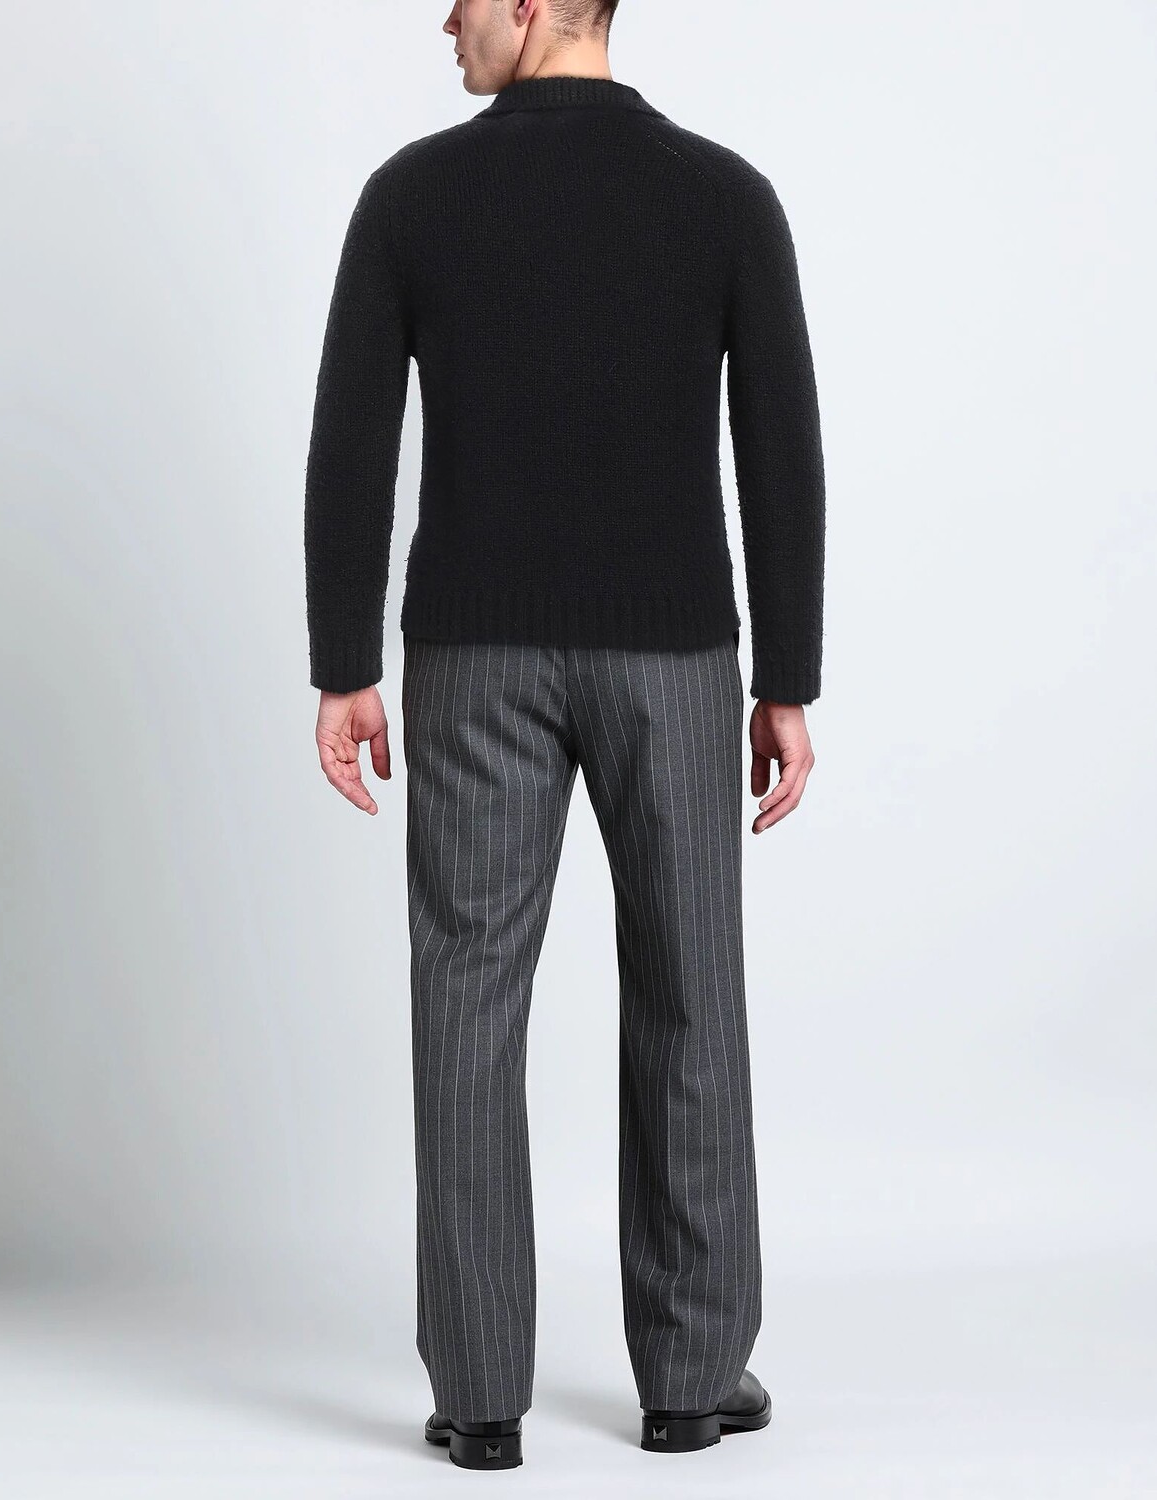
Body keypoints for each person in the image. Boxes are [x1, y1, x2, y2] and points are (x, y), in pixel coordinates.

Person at [303, 0, 825, 1472]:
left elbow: (352, 437)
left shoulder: (412, 195)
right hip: (674, 656)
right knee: (690, 991)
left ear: (532, 4)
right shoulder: (722, 196)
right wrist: (787, 678)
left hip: (472, 657)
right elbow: (781, 447)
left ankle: (479, 1398)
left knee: (465, 1004)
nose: (446, 20)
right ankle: (691, 1378)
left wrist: (343, 665)